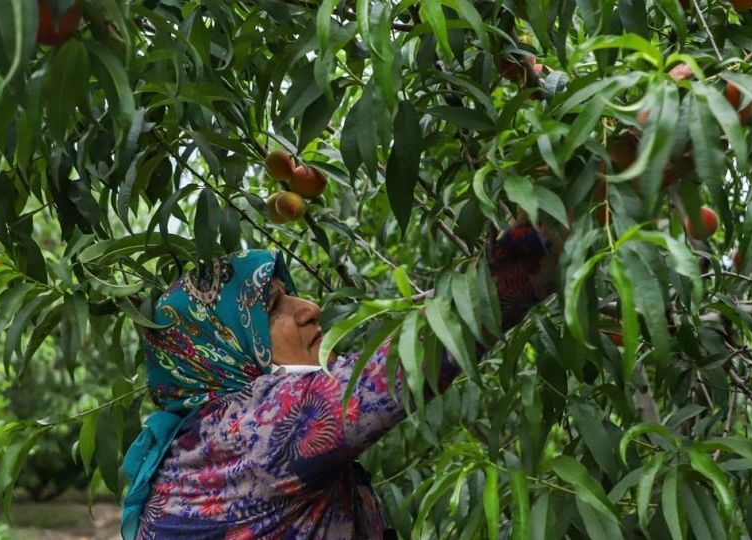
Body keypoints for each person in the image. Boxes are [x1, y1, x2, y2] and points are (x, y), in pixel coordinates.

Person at [120, 220, 559, 539]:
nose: (309, 306)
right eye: (272, 307)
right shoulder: (250, 434)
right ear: (220, 349)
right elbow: (402, 362)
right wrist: (557, 229)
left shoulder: (199, 448)